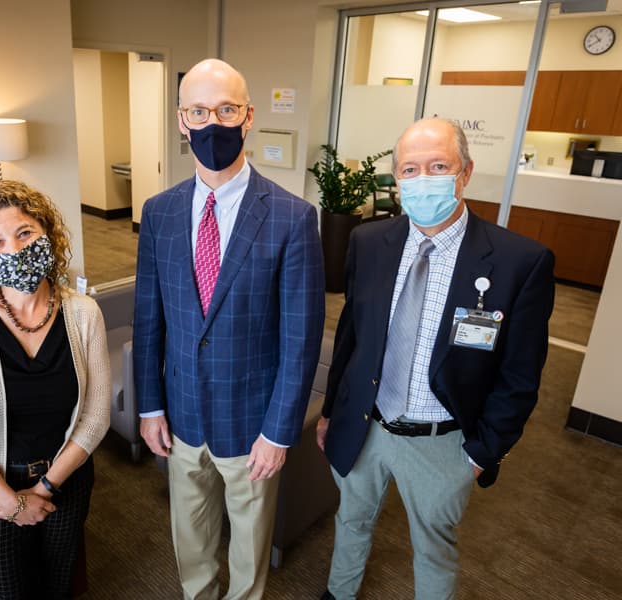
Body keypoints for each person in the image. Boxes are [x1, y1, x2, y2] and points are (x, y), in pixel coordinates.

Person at [317, 118, 555, 600]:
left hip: (443, 442)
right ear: (397, 181)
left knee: (434, 547)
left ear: (464, 173)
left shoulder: (518, 261)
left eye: (438, 166)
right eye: (410, 168)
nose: (423, 179)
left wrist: (480, 454)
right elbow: (351, 337)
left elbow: (520, 376)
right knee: (351, 519)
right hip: (367, 423)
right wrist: (329, 411)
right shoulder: (369, 242)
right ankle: (339, 594)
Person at [133, 58, 325, 600]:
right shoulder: (160, 212)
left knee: (248, 542)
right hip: (182, 413)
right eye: (198, 111)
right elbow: (150, 319)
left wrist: (280, 431)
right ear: (181, 120)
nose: (211, 122)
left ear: (248, 116)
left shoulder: (291, 218)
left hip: (253, 424)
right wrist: (150, 406)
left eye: (225, 109)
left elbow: (300, 339)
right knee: (189, 534)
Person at [0, 180, 111, 599]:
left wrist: (45, 488)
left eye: (25, 233)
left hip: (66, 481)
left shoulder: (84, 314)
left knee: (61, 585)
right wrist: (13, 502)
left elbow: (97, 414)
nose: (13, 249)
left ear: (47, 233)